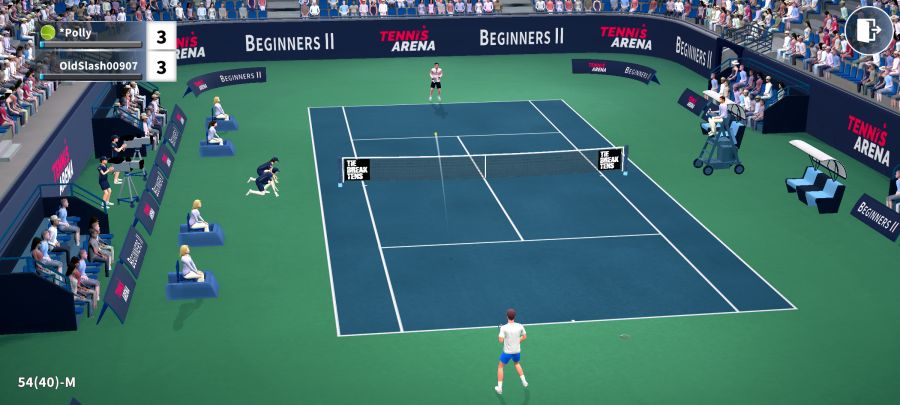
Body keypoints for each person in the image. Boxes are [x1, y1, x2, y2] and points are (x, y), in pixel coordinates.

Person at [494, 308, 527, 395]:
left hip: (507, 353)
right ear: (514, 316)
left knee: (500, 367)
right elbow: (524, 337)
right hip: (517, 351)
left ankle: (499, 388)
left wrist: (500, 333)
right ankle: (524, 382)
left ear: (507, 317)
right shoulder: (520, 326)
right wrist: (517, 342)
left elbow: (500, 341)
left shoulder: (503, 328)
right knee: (517, 364)